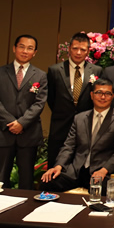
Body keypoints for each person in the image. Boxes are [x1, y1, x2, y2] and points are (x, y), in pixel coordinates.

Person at [40, 78, 114, 192]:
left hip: (102, 172)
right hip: (76, 171)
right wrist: (58, 166)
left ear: (112, 96)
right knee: (47, 182)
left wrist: (104, 170)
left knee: (104, 191)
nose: (103, 97)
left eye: (107, 94)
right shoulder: (79, 118)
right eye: (99, 93)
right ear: (92, 95)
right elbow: (69, 146)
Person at [0, 34, 47, 189]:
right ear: (14, 48)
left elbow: (39, 103)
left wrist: (22, 123)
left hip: (28, 133)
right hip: (2, 131)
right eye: (21, 46)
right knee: (1, 177)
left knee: (26, 178)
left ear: (35, 52)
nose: (25, 51)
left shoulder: (41, 75)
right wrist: (11, 122)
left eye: (30, 48)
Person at [46, 32, 102, 167]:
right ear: (69, 49)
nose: (78, 52)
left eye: (82, 49)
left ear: (88, 51)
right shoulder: (55, 70)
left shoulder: (97, 71)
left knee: (81, 165)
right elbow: (51, 98)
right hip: (60, 125)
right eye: (75, 48)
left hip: (86, 125)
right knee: (56, 164)